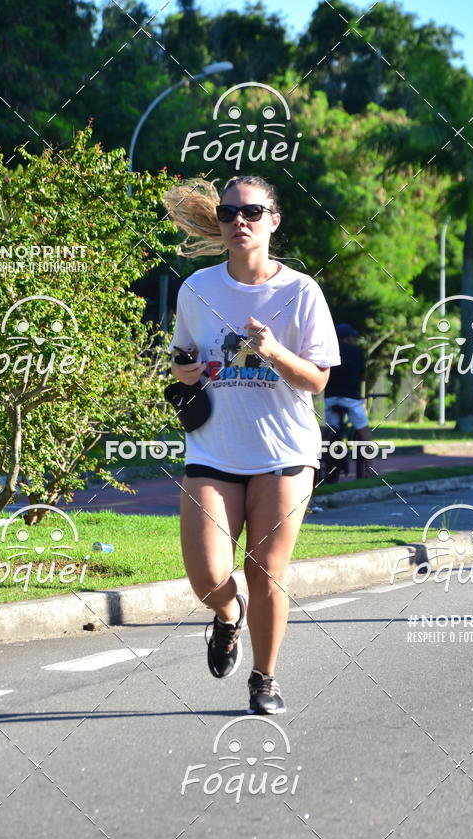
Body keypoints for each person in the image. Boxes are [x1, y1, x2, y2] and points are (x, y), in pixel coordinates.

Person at [162, 174, 340, 715]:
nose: (240, 221)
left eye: (252, 212)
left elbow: (317, 380)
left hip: (284, 453)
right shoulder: (197, 288)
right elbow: (180, 357)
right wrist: (184, 372)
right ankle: (226, 614)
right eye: (228, 212)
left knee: (267, 572)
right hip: (213, 450)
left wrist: (273, 351)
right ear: (219, 222)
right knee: (208, 574)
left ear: (273, 221)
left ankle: (265, 679)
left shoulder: (300, 291)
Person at [324, 323, 375, 477]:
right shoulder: (357, 352)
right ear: (348, 338)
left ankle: (326, 465)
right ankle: (369, 470)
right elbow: (362, 375)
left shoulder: (328, 351)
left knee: (330, 432)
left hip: (331, 398)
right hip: (351, 398)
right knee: (364, 432)